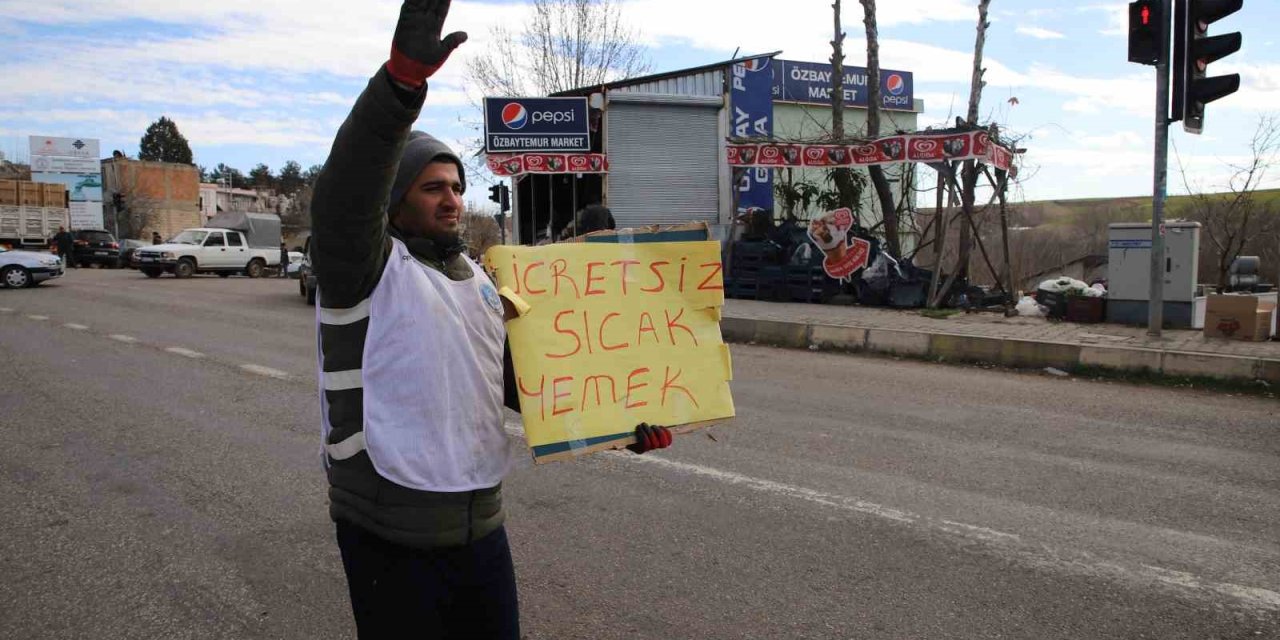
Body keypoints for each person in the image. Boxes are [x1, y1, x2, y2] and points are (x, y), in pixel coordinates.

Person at [310, 3, 673, 638]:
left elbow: (522, 381)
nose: (452, 198)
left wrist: (623, 420)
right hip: (388, 530)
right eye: (431, 188)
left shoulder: (479, 276)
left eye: (456, 185)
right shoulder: (362, 267)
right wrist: (399, 85)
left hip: (481, 528)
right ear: (394, 203)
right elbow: (349, 185)